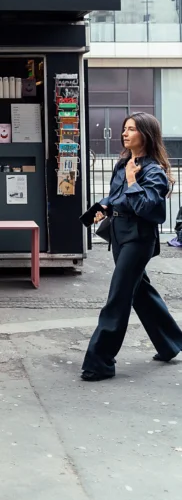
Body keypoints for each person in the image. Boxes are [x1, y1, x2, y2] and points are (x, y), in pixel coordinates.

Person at [81, 112, 182, 381]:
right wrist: (104, 205)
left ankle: (99, 362)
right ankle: (171, 341)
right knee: (140, 292)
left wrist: (133, 181)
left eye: (131, 129)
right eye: (124, 129)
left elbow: (149, 209)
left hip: (139, 239)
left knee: (119, 296)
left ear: (145, 135)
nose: (124, 134)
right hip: (119, 234)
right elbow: (117, 196)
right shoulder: (125, 163)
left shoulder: (153, 171)